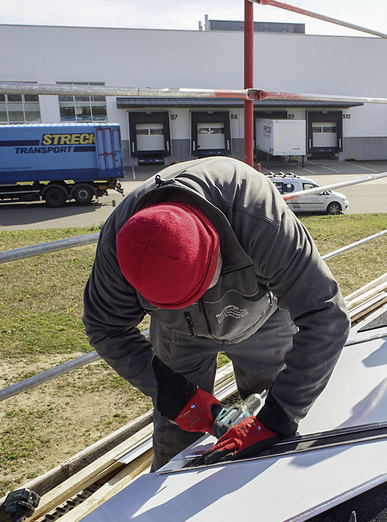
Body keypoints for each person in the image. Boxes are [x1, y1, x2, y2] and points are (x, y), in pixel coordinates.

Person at [83, 156, 350, 469]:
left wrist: (279, 416)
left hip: (262, 318)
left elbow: (325, 314)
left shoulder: (256, 216)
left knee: (274, 424)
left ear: (216, 250)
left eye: (194, 293)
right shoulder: (119, 245)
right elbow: (106, 328)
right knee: (177, 436)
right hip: (178, 333)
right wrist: (173, 392)